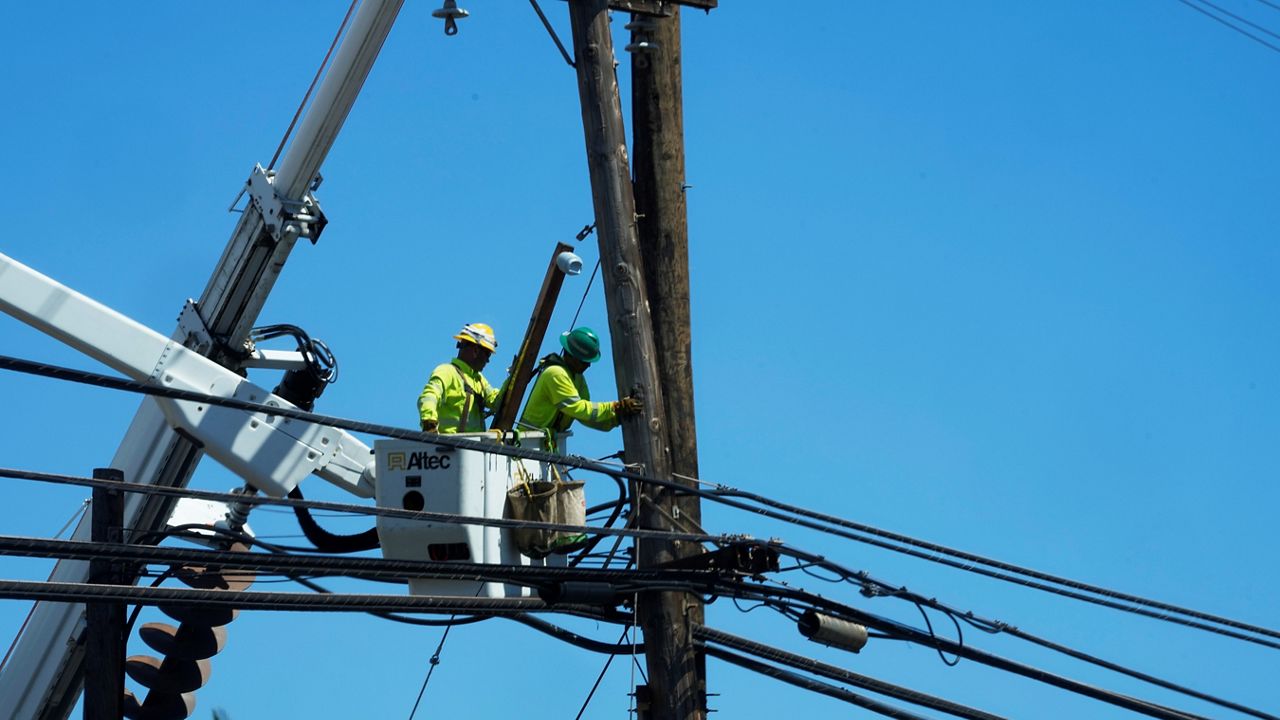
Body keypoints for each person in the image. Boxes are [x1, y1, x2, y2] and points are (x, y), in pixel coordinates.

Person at [520, 326, 642, 435]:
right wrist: (615, 407)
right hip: (527, 441)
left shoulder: (577, 379)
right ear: (571, 355)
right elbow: (578, 409)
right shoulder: (556, 374)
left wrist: (617, 418)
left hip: (545, 445)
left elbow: (587, 416)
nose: (588, 366)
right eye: (584, 361)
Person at [418, 322, 506, 433]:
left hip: (474, 447)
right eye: (487, 355)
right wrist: (429, 424)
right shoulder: (447, 372)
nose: (488, 361)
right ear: (475, 351)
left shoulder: (479, 380)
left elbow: (496, 402)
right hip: (449, 446)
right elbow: (429, 396)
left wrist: (513, 378)